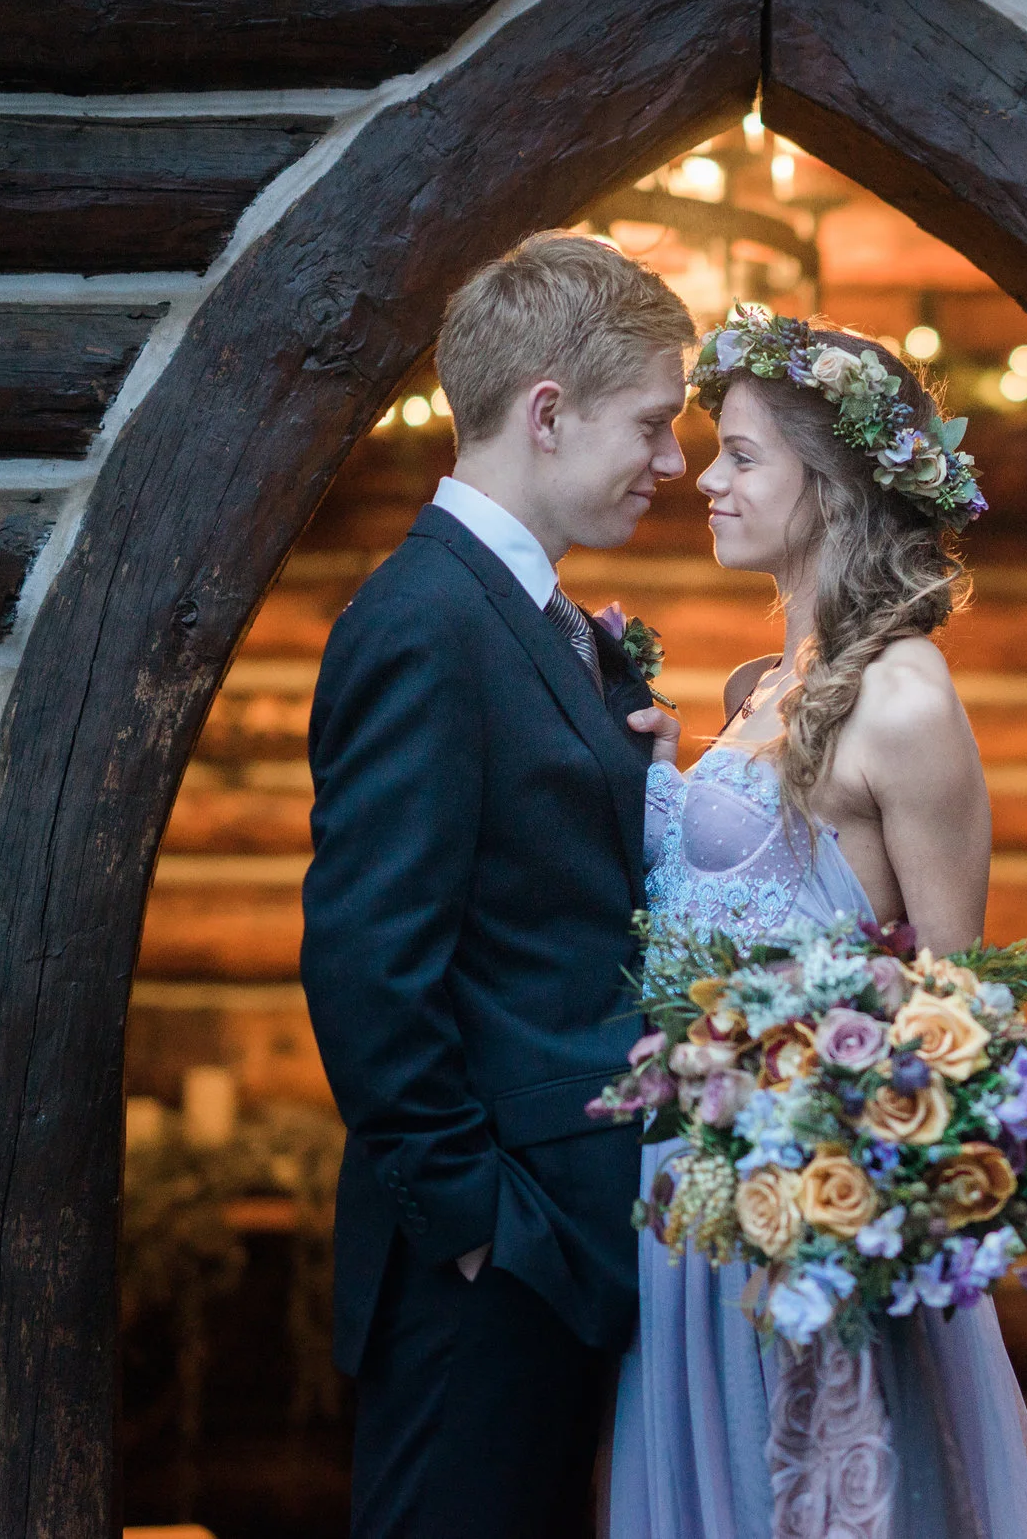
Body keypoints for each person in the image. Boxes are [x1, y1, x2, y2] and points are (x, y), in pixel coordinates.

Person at [607, 310, 1027, 1539]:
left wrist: (840, 1196)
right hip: (691, 1192)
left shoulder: (905, 698)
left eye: (742, 455)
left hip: (810, 1222)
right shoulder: (764, 690)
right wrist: (659, 769)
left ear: (835, 484)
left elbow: (955, 1012)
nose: (708, 479)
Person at [302, 231, 696, 1539]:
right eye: (652, 422)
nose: (673, 461)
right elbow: (369, 967)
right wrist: (480, 1225)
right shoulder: (424, 619)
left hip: (567, 1251)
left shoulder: (543, 622)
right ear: (546, 412)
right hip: (488, 1270)